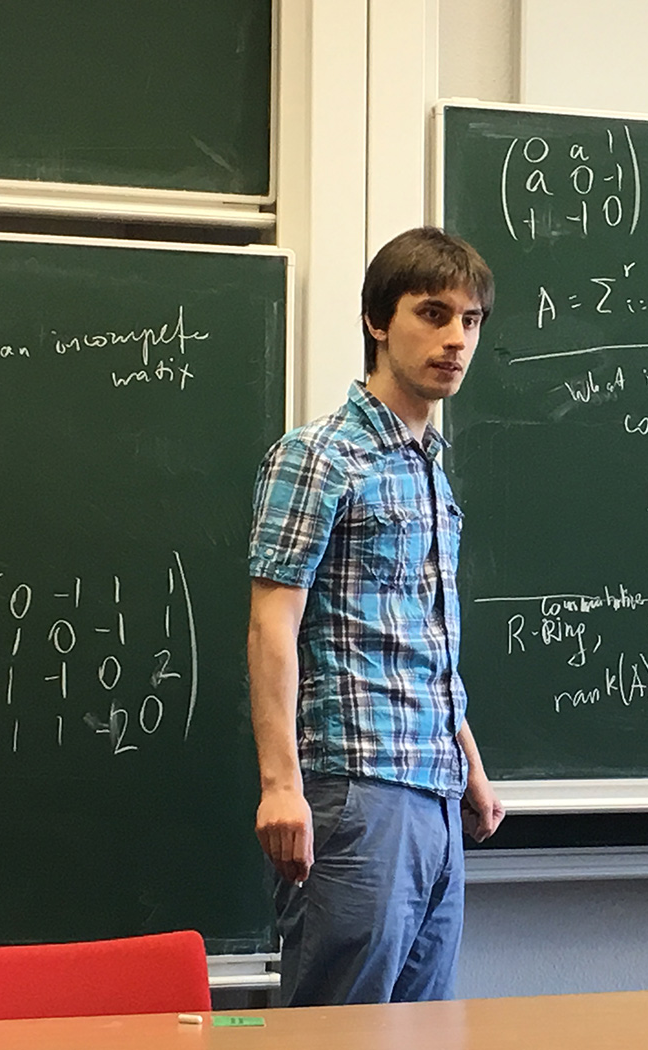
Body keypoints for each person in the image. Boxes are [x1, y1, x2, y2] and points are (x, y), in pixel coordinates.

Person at [247, 226, 505, 1006]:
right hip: (357, 792)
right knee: (338, 1028)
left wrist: (470, 761)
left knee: (422, 1031)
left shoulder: (430, 468)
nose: (455, 339)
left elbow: (420, 635)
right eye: (433, 314)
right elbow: (271, 626)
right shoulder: (319, 456)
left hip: (436, 794)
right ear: (378, 322)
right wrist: (280, 786)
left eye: (471, 320)